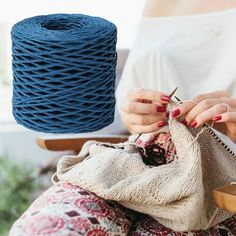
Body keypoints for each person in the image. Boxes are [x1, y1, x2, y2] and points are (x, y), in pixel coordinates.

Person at [10, 1, 236, 235]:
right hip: (135, 165)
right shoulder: (158, 5)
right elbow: (130, 102)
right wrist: (137, 117)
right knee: (48, 228)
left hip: (219, 189)